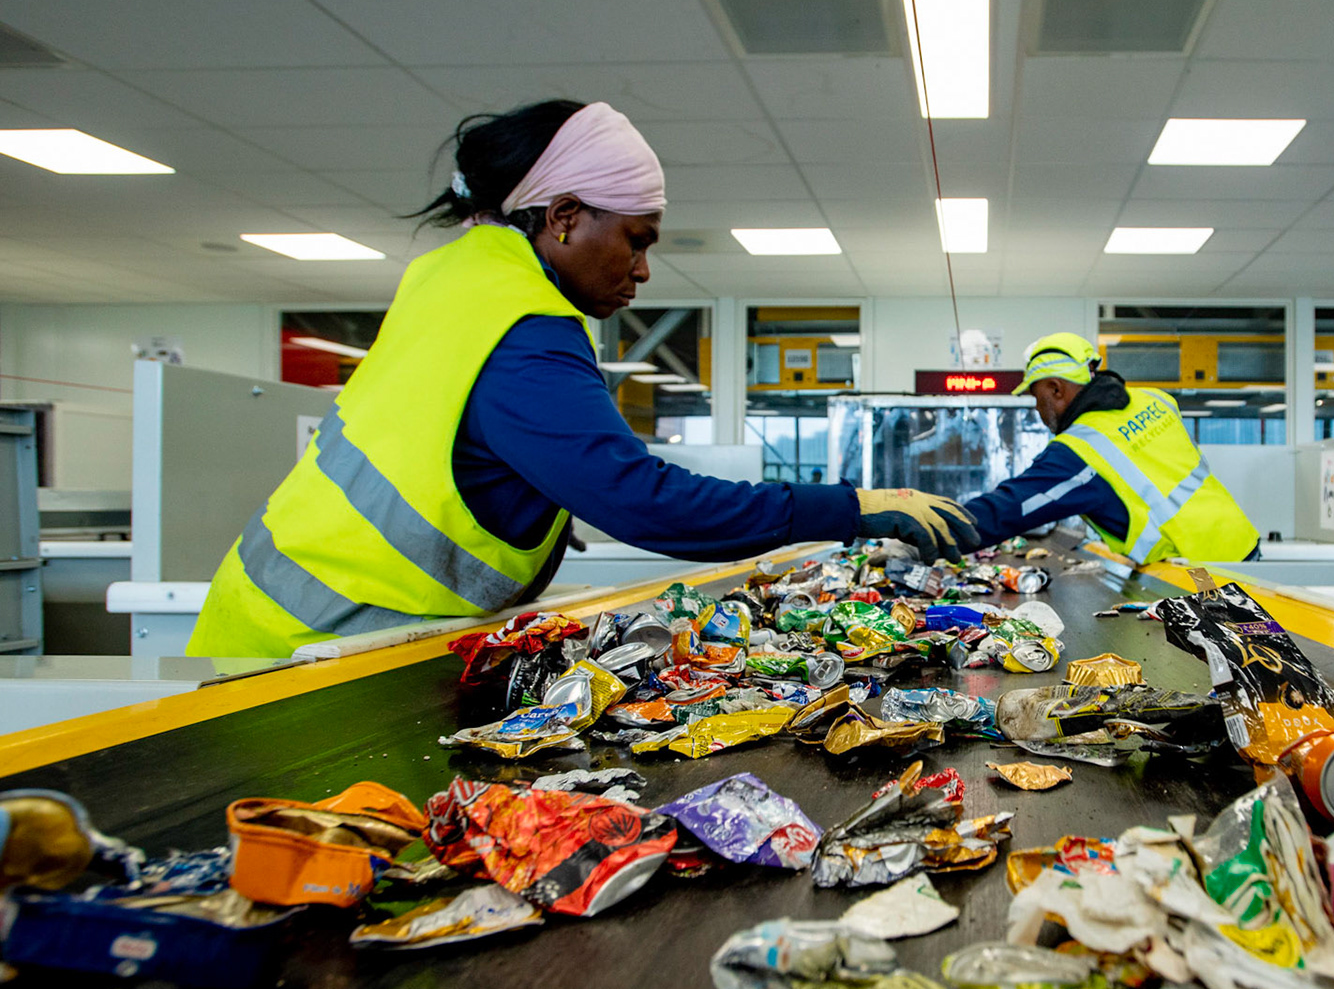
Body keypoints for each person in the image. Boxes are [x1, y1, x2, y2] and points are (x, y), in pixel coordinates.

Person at [188, 100, 976, 657]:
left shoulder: (459, 278)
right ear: (564, 216)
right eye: (635, 239)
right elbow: (640, 501)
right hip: (309, 652)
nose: (642, 269)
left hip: (271, 627)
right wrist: (853, 507)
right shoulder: (525, 328)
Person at [958, 332, 1259, 565]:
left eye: (1036, 396)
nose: (1037, 408)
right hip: (1243, 546)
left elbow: (1010, 508)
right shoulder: (1156, 399)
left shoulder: (1079, 449)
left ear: (1056, 388)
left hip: (1196, 572)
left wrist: (939, 526)